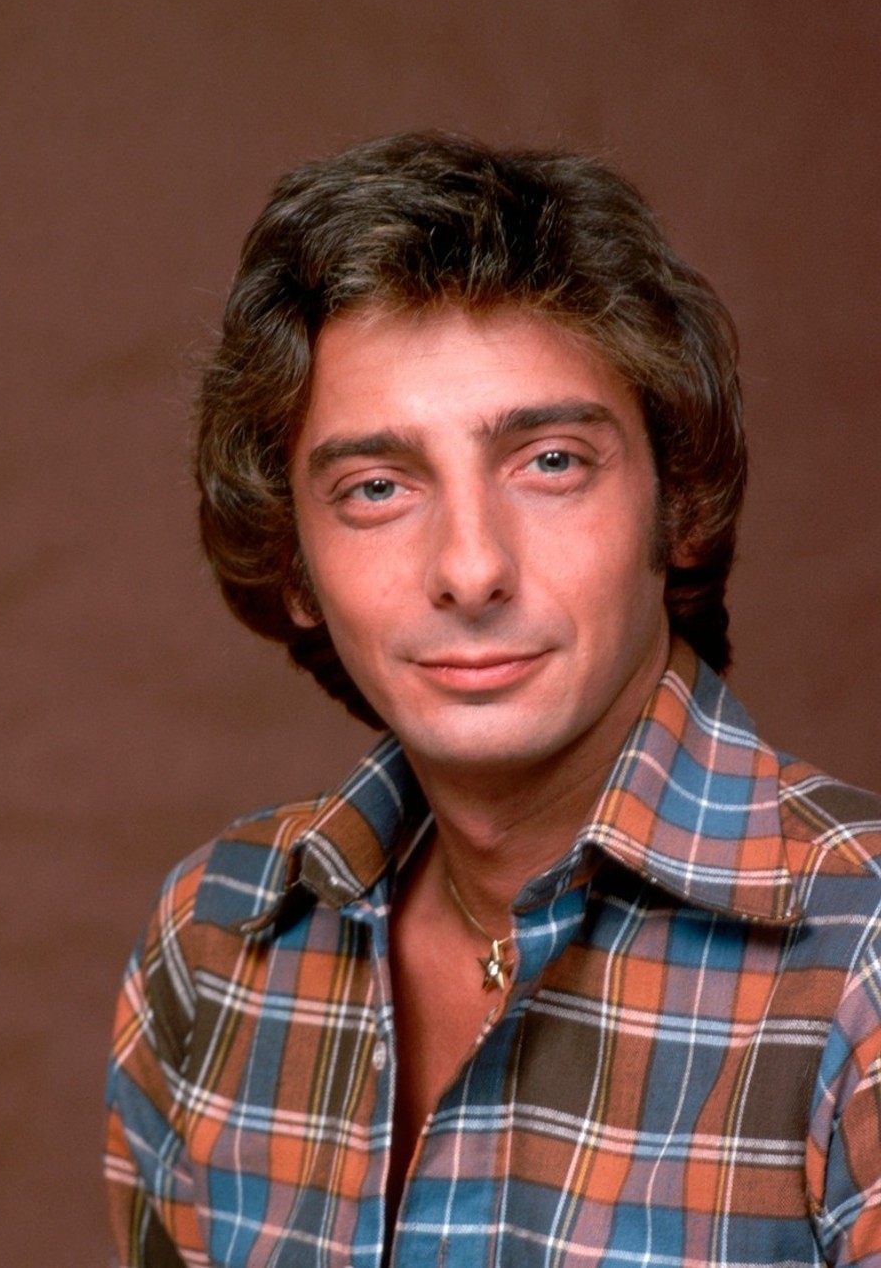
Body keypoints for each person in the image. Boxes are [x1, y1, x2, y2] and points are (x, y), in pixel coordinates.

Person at [105, 132, 881, 1268]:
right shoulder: (213, 945)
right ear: (294, 565)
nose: (471, 569)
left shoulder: (861, 964)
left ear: (678, 504)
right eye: (377, 487)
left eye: (550, 461)